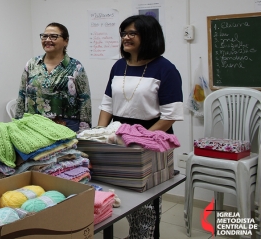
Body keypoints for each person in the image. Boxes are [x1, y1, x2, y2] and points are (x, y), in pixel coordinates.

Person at [97, 15, 183, 239]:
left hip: (152, 137)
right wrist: (99, 134)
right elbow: (107, 104)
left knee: (147, 199)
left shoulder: (165, 69)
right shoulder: (118, 65)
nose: (126, 37)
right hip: (117, 136)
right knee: (121, 192)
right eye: (124, 33)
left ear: (149, 36)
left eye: (132, 33)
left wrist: (140, 140)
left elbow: (170, 115)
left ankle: (146, 236)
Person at [14, 22, 91, 132]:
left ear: (66, 41)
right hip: (34, 126)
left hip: (66, 127)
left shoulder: (76, 67)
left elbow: (85, 100)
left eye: (54, 36)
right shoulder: (32, 64)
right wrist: (17, 124)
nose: (47, 40)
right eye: (44, 36)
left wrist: (84, 130)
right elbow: (22, 95)